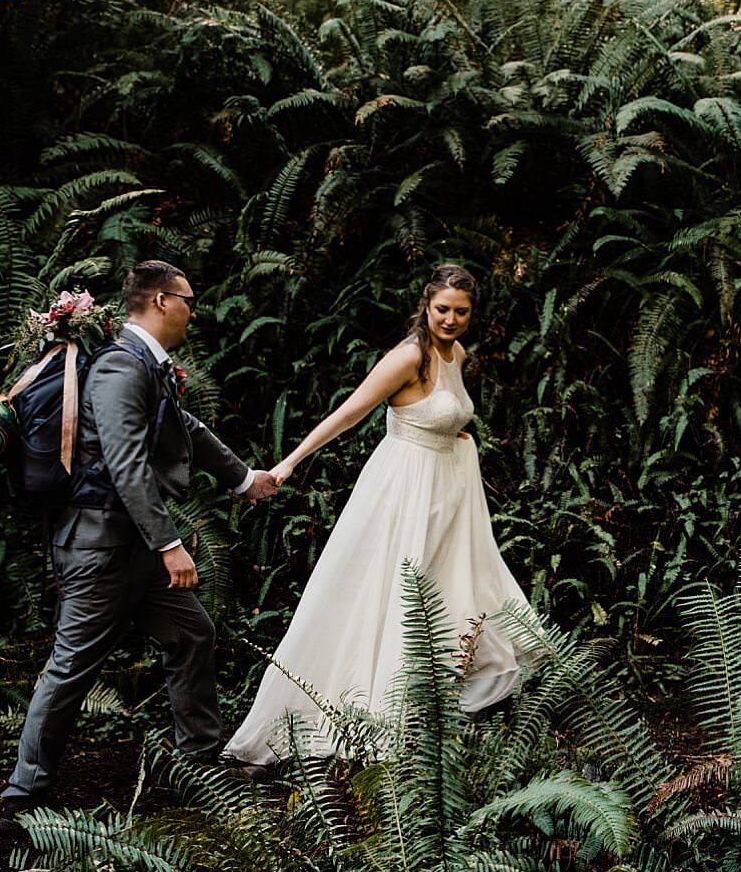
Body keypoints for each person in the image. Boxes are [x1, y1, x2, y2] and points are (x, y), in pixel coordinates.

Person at [0, 260, 281, 834]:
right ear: (158, 301)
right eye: (187, 300)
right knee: (73, 665)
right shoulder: (120, 369)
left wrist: (245, 479)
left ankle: (199, 764)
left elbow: (186, 429)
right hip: (100, 547)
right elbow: (127, 464)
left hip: (132, 547)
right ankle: (23, 797)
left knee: (192, 632)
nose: (193, 310)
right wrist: (171, 544)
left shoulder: (146, 366)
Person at [222, 264, 530, 766]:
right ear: (426, 305)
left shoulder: (457, 354)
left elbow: (440, 414)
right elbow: (350, 412)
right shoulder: (410, 356)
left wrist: (455, 435)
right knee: (389, 590)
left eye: (461, 312)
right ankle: (370, 710)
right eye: (442, 309)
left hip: (446, 492)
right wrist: (290, 461)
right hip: (404, 488)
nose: (450, 320)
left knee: (447, 588)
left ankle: (427, 709)